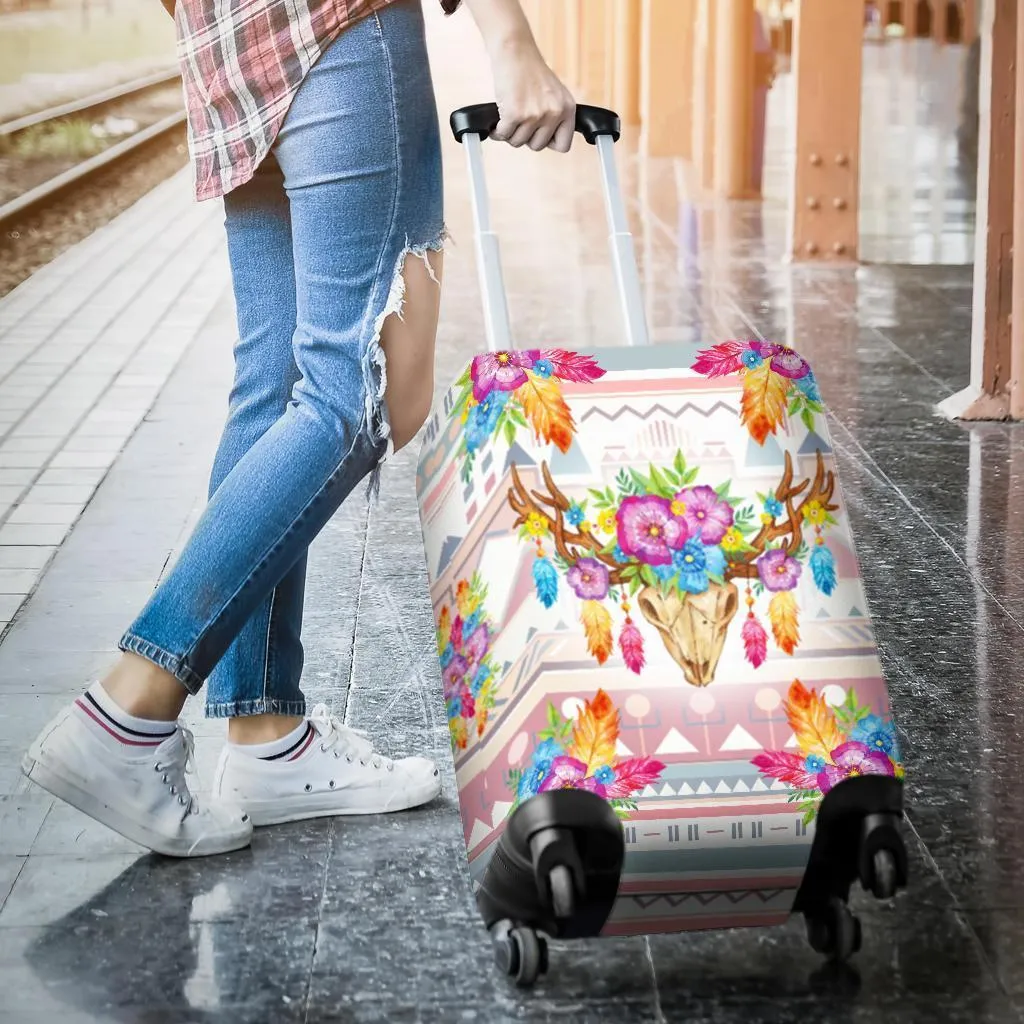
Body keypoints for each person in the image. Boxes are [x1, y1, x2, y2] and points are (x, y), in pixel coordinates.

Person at [22, 0, 575, 857]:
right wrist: (512, 43)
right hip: (341, 28)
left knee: (276, 385)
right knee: (360, 391)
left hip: (229, 51)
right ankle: (128, 710)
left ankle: (265, 734)